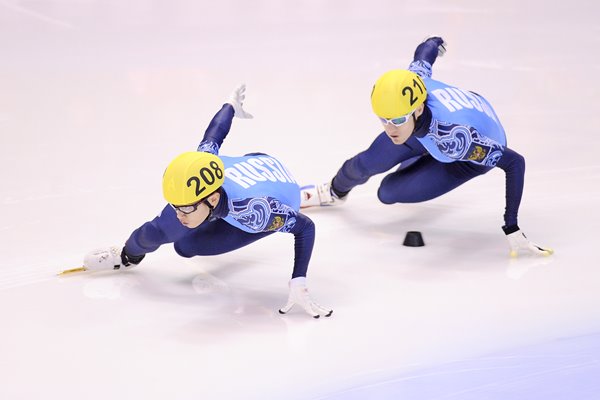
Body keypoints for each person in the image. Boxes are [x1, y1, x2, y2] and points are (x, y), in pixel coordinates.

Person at [83, 85, 332, 318]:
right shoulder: (202, 164)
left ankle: (302, 195)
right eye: (176, 206)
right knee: (163, 229)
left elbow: (305, 227)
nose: (180, 213)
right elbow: (216, 132)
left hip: (277, 194)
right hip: (254, 164)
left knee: (186, 247)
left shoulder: (257, 213)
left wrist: (298, 280)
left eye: (187, 207)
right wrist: (231, 105)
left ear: (211, 197)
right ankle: (128, 256)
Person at [301, 37, 553, 257]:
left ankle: (424, 156)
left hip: (466, 150)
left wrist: (512, 226)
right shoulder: (412, 83)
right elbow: (424, 53)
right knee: (366, 163)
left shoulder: (458, 139)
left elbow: (515, 162)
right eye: (384, 119)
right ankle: (333, 192)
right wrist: (435, 42)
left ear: (418, 108)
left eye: (397, 120)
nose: (390, 128)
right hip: (429, 127)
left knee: (387, 192)